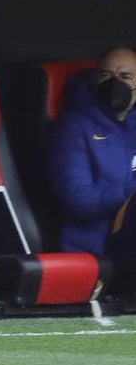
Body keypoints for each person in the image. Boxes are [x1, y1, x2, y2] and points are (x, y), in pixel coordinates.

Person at [47, 47, 136, 264]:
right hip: (97, 244)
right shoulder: (73, 127)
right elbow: (78, 199)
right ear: (94, 81)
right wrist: (131, 192)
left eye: (125, 77)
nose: (115, 83)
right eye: (106, 75)